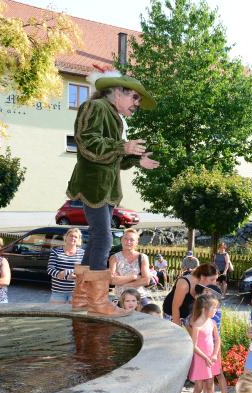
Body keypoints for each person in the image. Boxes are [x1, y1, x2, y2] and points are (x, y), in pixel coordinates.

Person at [65, 70, 158, 317]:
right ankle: (97, 301)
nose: (137, 104)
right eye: (134, 98)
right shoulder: (95, 107)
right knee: (105, 240)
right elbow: (86, 143)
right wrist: (123, 146)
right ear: (117, 92)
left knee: (97, 239)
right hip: (94, 185)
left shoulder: (113, 116)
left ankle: (81, 297)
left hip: (104, 188)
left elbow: (113, 159)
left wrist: (136, 159)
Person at [187, 293, 222, 393]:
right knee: (198, 386)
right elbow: (193, 345)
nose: (216, 310)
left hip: (210, 359)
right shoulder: (197, 325)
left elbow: (218, 340)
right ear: (204, 309)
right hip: (201, 359)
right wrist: (205, 357)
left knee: (210, 384)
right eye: (213, 308)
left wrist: (213, 355)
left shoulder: (212, 322)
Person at [109, 229, 152, 306]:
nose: (128, 242)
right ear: (121, 240)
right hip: (121, 299)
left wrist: (124, 284)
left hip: (139, 298)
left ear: (136, 242)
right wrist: (134, 277)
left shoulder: (142, 257)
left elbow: (146, 280)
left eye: (132, 240)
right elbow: (112, 280)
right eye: (125, 239)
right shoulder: (114, 258)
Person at [46, 227, 86, 304]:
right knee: (56, 314)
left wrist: (68, 272)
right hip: (58, 292)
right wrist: (59, 274)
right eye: (71, 235)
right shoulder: (56, 251)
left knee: (73, 315)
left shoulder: (82, 253)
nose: (73, 238)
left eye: (75, 237)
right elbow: (50, 269)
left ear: (78, 240)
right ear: (66, 237)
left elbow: (84, 270)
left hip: (76, 292)